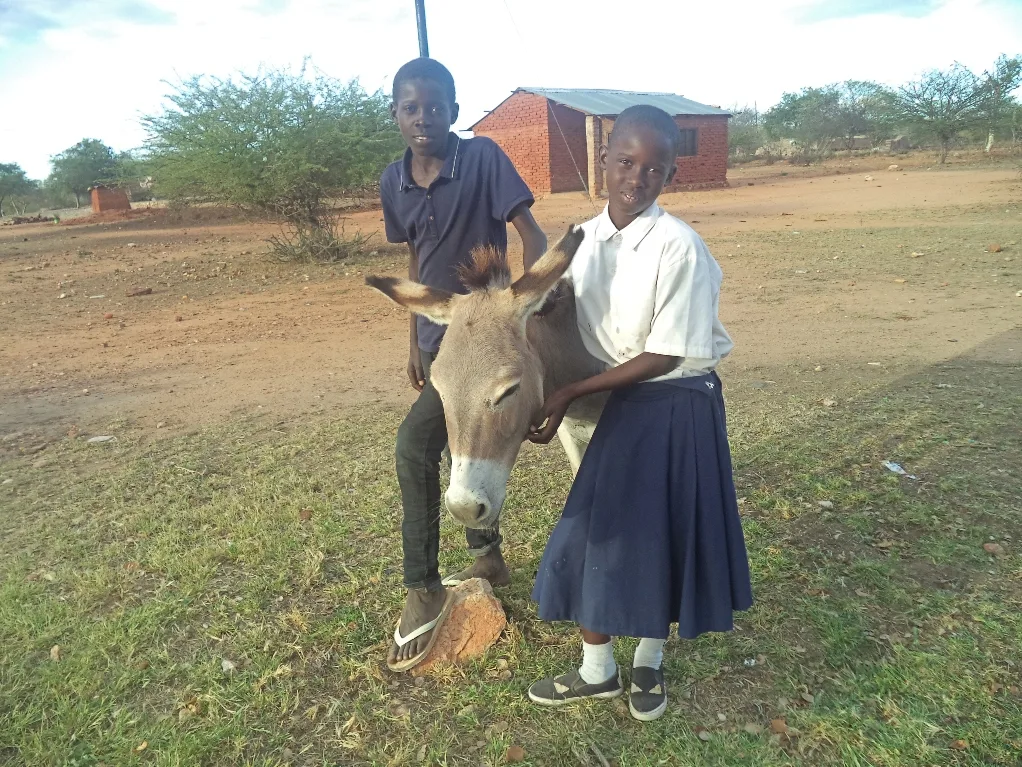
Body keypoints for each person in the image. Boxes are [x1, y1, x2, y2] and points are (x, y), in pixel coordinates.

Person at [524, 105, 753, 721]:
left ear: (669, 175)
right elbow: (550, 306)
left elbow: (664, 353)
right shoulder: (581, 240)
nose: (636, 178)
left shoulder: (679, 247)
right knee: (597, 534)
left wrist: (570, 393)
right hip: (621, 399)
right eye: (626, 162)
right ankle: (596, 670)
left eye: (654, 169)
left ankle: (648, 660)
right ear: (604, 159)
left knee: (658, 535)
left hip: (675, 401)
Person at [380, 58, 548, 672]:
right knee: (455, 439)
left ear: (454, 106)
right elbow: (417, 264)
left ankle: (423, 585)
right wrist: (412, 341)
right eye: (410, 107)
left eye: (435, 105)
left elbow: (531, 234)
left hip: (488, 331)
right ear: (395, 113)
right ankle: (488, 554)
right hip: (437, 339)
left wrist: (526, 305)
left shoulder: (482, 160)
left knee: (412, 445)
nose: (424, 117)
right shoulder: (392, 182)